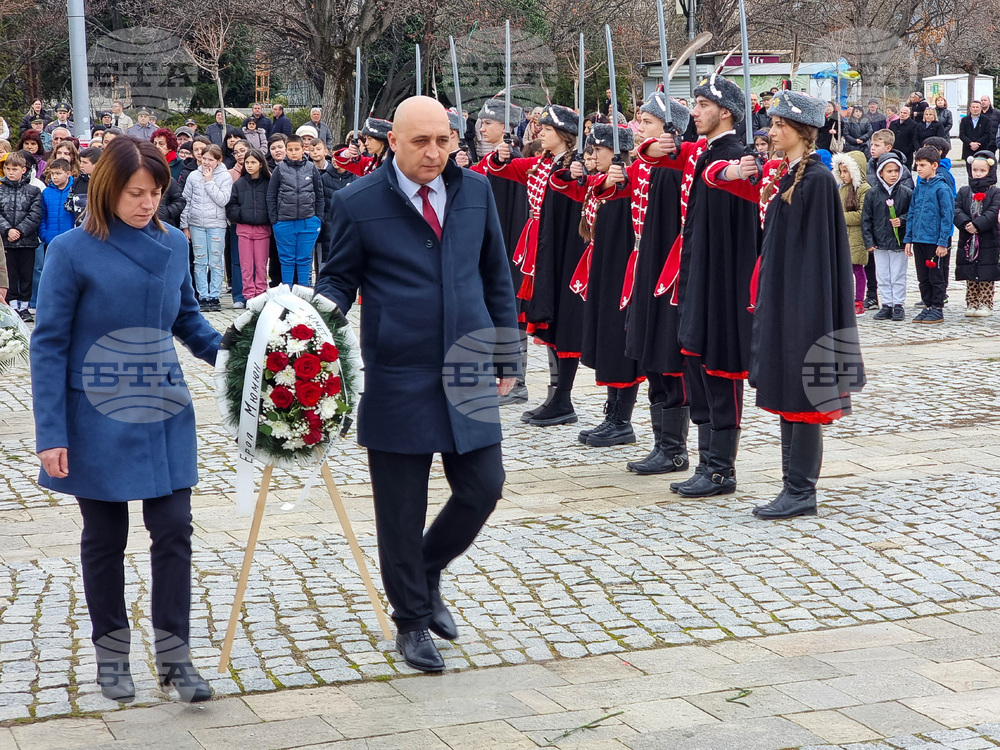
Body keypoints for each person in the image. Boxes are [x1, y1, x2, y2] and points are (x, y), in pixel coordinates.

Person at [315, 96, 517, 673]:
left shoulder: (475, 192)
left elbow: (495, 273)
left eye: (443, 141)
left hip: (469, 365)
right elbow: (338, 280)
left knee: (484, 486)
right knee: (399, 509)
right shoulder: (357, 202)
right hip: (398, 374)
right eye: (421, 142)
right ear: (393, 142)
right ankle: (410, 621)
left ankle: (426, 572)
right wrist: (305, 323)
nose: (434, 153)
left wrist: (507, 353)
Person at [30, 136, 218, 705]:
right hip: (96, 411)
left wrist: (242, 356)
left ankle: (175, 655)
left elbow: (187, 318)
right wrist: (51, 434)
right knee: (105, 539)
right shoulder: (71, 250)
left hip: (162, 406)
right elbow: (49, 344)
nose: (147, 203)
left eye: (156, 192)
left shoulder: (175, 242)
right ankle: (112, 655)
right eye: (136, 192)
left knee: (175, 531)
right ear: (109, 188)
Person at [704, 90, 863, 519]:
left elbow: (817, 257)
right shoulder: (788, 175)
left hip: (805, 304)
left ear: (802, 131)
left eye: (779, 125)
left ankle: (801, 490)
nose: (771, 132)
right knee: (787, 391)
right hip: (783, 296)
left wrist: (799, 307)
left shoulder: (815, 180)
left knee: (804, 394)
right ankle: (791, 486)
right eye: (771, 124)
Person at [639, 75, 761, 498]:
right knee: (695, 361)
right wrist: (651, 145)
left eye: (702, 104)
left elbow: (724, 174)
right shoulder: (700, 150)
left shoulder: (735, 155)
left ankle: (721, 470)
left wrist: (731, 171)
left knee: (720, 369)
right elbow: (653, 155)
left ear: (724, 111)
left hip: (723, 283)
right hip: (693, 277)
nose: (693, 111)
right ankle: (706, 462)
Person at [591, 92, 692, 475]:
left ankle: (675, 448)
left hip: (669, 268)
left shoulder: (675, 165)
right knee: (649, 354)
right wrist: (611, 180)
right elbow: (609, 194)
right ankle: (662, 444)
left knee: (668, 356)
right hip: (642, 266)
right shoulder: (643, 165)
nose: (638, 129)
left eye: (646, 123)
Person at [488, 105, 588, 427]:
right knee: (543, 317)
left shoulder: (575, 165)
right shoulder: (540, 163)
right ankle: (555, 394)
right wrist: (501, 156)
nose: (539, 133)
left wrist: (579, 174)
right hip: (537, 244)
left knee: (561, 318)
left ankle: (563, 395)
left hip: (563, 246)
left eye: (546, 129)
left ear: (562, 134)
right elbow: (505, 170)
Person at [550, 124, 642, 446]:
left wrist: (619, 179)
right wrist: (575, 170)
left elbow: (632, 189)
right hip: (603, 270)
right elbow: (564, 185)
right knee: (607, 341)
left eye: (598, 150)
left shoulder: (631, 181)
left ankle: (622, 420)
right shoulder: (601, 182)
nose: (592, 156)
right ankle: (612, 413)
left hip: (624, 272)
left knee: (620, 342)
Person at [469, 99, 529, 405]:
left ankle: (516, 381)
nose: (481, 128)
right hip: (491, 246)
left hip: (508, 245)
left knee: (512, 312)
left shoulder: (511, 161)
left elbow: (513, 212)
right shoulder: (491, 159)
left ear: (505, 127)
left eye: (488, 123)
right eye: (480, 122)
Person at [904, 145, 954, 323]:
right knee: (922, 276)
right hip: (919, 239)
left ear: (934, 165)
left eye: (922, 165)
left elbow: (947, 216)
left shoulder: (942, 188)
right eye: (917, 165)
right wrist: (908, 238)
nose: (919, 169)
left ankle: (937, 307)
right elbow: (912, 213)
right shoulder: (919, 188)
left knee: (935, 275)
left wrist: (943, 242)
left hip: (934, 241)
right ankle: (927, 305)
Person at [180, 144, 232, 311]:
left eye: (211, 159)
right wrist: (185, 225)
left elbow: (223, 200)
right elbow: (186, 201)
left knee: (215, 262)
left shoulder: (225, 176)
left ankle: (215, 295)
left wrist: (209, 181)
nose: (206, 162)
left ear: (218, 161)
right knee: (200, 261)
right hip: (196, 224)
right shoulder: (193, 176)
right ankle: (202, 296)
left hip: (216, 224)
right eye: (204, 158)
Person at [267, 134, 323, 286]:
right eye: (290, 149)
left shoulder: (311, 168)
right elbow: (271, 195)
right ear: (286, 150)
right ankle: (287, 291)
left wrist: (318, 218)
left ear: (303, 149)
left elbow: (319, 194)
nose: (293, 152)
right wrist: (275, 221)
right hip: (284, 222)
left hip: (308, 221)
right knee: (287, 259)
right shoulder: (280, 169)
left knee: (304, 259)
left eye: (296, 149)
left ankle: (303, 292)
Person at [863, 152, 911, 321]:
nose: (893, 175)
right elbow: (866, 219)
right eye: (889, 171)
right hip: (879, 242)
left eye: (896, 171)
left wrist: (902, 221)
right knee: (882, 274)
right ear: (880, 172)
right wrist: (869, 241)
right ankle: (886, 304)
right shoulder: (872, 193)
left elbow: (911, 214)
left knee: (898, 274)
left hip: (898, 242)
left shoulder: (906, 192)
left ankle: (898, 304)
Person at [954, 151, 1000, 317]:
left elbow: (993, 212)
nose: (978, 174)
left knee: (986, 272)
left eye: (982, 171)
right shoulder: (964, 191)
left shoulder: (995, 192)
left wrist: (977, 225)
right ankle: (972, 302)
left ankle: (986, 302)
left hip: (987, 238)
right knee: (970, 270)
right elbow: (956, 208)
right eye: (975, 170)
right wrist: (965, 223)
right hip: (968, 237)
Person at [0, 152, 43, 321]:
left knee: (26, 274)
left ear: (23, 170)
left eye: (15, 169)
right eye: (8, 168)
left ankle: (25, 306)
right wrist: (8, 230)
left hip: (26, 241)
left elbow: (35, 214)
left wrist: (20, 230)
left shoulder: (33, 190)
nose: (11, 172)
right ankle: (11, 304)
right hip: (6, 241)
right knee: (9, 274)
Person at [226, 148, 271, 300]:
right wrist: (242, 215)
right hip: (244, 230)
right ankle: (249, 295)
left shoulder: (268, 183)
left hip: (262, 230)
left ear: (260, 164)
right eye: (247, 162)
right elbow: (231, 206)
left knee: (260, 265)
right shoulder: (239, 184)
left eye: (253, 162)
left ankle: (261, 294)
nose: (249, 165)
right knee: (246, 265)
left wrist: (265, 217)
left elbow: (272, 204)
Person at [832, 151, 871, 315]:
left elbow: (861, 215)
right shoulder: (842, 189)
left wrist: (839, 217)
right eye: (840, 171)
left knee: (857, 270)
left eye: (846, 171)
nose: (843, 175)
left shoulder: (864, 189)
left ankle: (859, 300)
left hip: (856, 236)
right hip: (843, 236)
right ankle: (845, 298)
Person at [39, 158, 76, 252]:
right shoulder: (46, 192)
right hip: (51, 240)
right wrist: (44, 235)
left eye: (58, 173)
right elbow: (42, 216)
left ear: (68, 174)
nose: (54, 177)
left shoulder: (75, 190)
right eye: (52, 173)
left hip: (72, 240)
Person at [960, 101, 992, 171]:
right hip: (968, 150)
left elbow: (988, 134)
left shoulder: (986, 120)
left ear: (980, 108)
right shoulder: (964, 120)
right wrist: (970, 143)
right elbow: (962, 134)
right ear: (970, 108)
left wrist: (978, 143)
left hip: (982, 149)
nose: (975, 109)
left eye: (977, 107)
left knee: (982, 171)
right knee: (970, 171)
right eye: (973, 107)